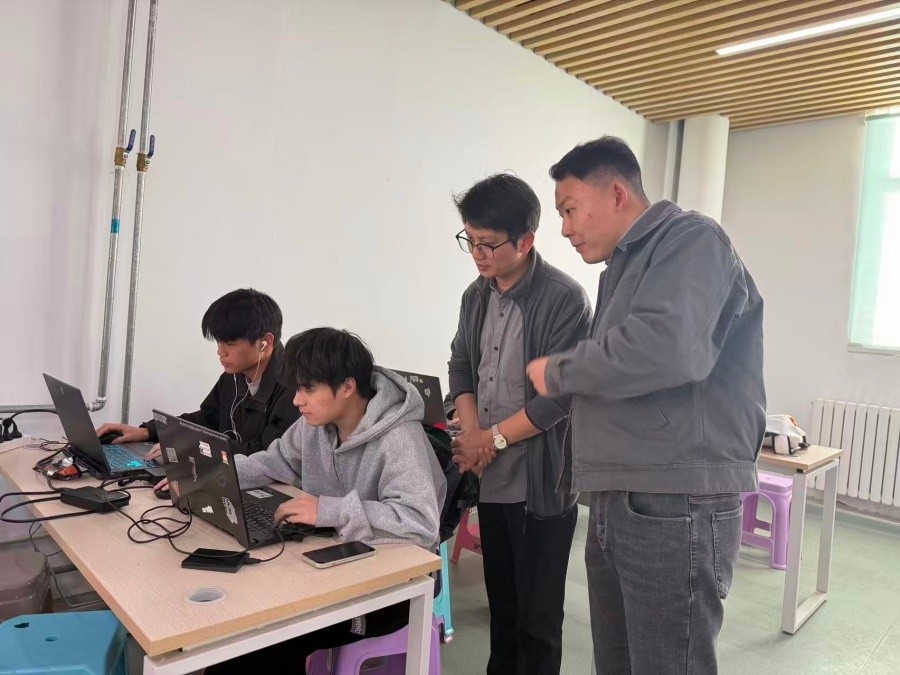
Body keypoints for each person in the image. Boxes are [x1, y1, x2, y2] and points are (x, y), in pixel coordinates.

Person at [527, 136, 765, 674]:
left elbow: (667, 347)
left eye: (569, 209)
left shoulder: (692, 240)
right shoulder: (624, 268)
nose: (564, 228)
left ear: (616, 193)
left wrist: (560, 370)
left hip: (673, 500)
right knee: (617, 663)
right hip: (621, 494)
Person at [206, 326, 445, 674]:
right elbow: (274, 462)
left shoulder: (398, 439)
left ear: (347, 387)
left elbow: (419, 523)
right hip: (334, 569)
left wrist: (327, 510)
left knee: (259, 642)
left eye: (307, 389)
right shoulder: (315, 425)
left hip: (387, 592)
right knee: (239, 628)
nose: (296, 400)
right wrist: (215, 474)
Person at [448, 173, 591, 674]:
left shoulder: (564, 299)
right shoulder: (475, 296)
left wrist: (490, 438)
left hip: (540, 486)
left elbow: (559, 398)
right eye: (470, 240)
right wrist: (473, 436)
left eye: (488, 243)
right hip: (492, 478)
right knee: (503, 613)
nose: (478, 254)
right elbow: (461, 367)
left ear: (526, 240)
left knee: (538, 622)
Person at [96, 288, 298, 457]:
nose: (220, 352)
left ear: (265, 342)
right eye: (218, 342)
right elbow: (206, 419)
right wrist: (148, 431)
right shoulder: (235, 375)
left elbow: (265, 455)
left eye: (230, 343)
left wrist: (194, 449)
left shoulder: (295, 387)